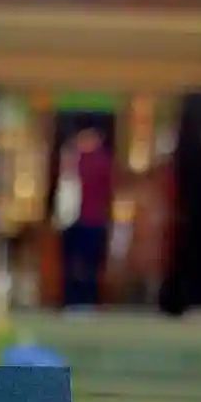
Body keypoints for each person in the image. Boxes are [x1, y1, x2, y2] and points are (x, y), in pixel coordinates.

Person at [58, 129, 114, 308]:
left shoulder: (102, 161)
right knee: (70, 262)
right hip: (70, 219)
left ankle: (87, 299)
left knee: (90, 263)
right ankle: (71, 299)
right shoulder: (70, 157)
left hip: (93, 220)